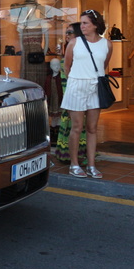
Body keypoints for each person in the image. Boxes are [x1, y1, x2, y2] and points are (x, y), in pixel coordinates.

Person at [60, 10, 112, 179]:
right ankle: (74, 164)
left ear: (96, 25)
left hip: (95, 86)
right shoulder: (74, 43)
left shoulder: (107, 44)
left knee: (92, 128)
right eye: (81, 23)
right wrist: (76, 81)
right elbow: (67, 66)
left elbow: (103, 65)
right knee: (76, 127)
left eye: (85, 23)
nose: (81, 26)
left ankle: (91, 165)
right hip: (77, 85)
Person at [53, 22, 87, 163]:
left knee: (76, 125)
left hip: (75, 90)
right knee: (71, 123)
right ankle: (66, 154)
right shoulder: (70, 47)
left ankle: (76, 155)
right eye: (66, 32)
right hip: (68, 90)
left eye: (70, 32)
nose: (66, 35)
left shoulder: (79, 49)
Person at [44, 58, 63, 145]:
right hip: (52, 100)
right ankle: (53, 131)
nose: (57, 67)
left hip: (59, 100)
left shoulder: (61, 77)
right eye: (54, 65)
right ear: (51, 67)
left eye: (58, 65)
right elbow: (46, 89)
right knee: (53, 116)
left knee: (58, 116)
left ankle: (58, 131)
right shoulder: (48, 78)